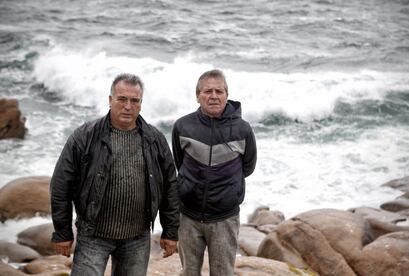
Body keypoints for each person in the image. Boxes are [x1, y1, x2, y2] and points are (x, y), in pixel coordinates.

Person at [50, 73, 179, 276]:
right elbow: (61, 185)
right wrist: (62, 232)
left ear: (141, 103)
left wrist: (171, 231)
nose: (128, 106)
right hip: (93, 236)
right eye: (122, 99)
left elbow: (171, 185)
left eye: (134, 100)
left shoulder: (155, 139)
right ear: (110, 100)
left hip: (138, 237)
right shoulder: (84, 136)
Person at [172, 69, 257, 276]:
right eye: (207, 91)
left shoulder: (242, 130)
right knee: (189, 272)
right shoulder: (183, 126)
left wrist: (227, 191)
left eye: (219, 91)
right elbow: (179, 162)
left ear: (226, 95)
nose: (213, 96)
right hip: (189, 216)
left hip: (224, 218)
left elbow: (248, 166)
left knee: (223, 273)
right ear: (198, 96)